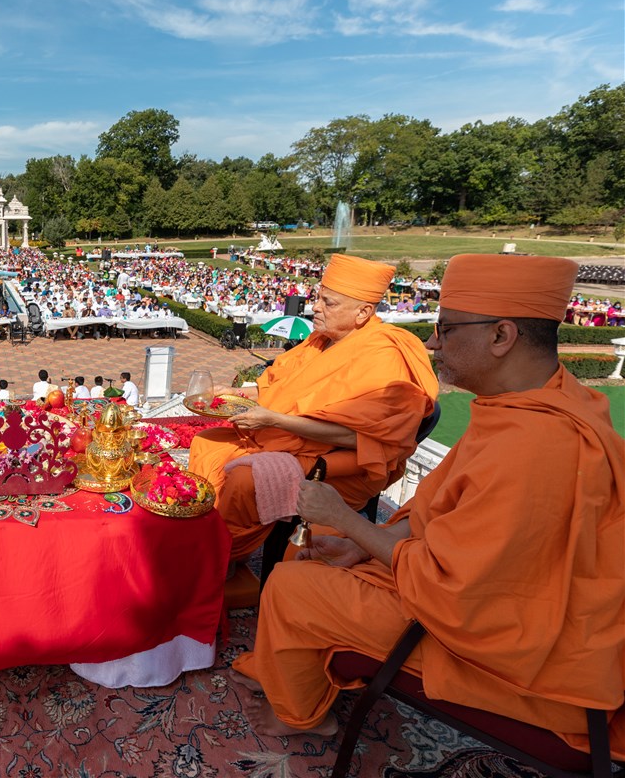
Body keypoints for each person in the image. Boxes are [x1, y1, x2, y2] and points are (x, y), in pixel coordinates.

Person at [230, 254, 624, 759]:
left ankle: (304, 718)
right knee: (316, 555)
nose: (433, 343)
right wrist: (361, 548)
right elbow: (440, 510)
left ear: (502, 337)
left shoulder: (537, 445)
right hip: (471, 590)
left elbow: (457, 594)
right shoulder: (538, 402)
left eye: (446, 329)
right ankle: (303, 673)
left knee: (290, 584)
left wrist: (347, 520)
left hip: (508, 646)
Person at [188, 254, 438, 570]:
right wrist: (237, 393)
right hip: (286, 434)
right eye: (318, 297)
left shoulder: (383, 357)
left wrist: (275, 420)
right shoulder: (321, 340)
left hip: (339, 462)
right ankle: (205, 537)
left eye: (328, 302)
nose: (315, 307)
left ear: (363, 312)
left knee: (243, 480)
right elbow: (280, 389)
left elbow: (361, 438)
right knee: (208, 442)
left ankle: (221, 558)